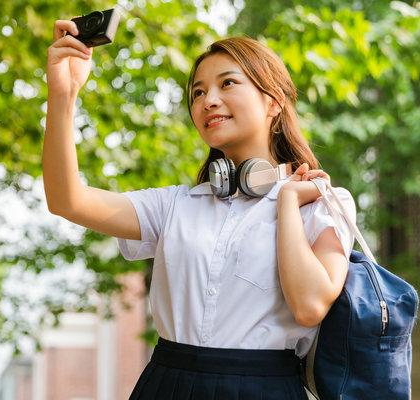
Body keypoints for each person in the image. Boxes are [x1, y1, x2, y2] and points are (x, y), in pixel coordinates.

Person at [43, 18, 355, 400]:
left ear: (273, 101)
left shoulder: (323, 203)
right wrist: (63, 93)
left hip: (265, 389)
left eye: (227, 83)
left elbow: (309, 307)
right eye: (197, 93)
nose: (208, 100)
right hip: (167, 385)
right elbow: (66, 200)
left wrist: (287, 203)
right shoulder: (175, 205)